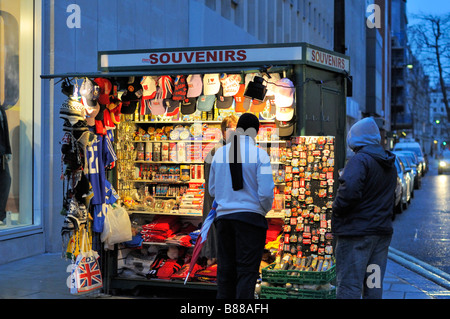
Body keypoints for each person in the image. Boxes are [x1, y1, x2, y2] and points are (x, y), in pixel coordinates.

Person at [209, 113, 274, 299]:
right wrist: (261, 210)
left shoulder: (220, 153)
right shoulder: (260, 155)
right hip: (250, 220)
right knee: (247, 272)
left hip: (224, 220)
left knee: (226, 270)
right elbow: (266, 192)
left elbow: (212, 190)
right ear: (256, 132)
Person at [332, 117, 397, 299]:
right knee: (373, 285)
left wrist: (336, 209)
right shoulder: (389, 164)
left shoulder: (359, 160)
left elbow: (348, 192)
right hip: (381, 235)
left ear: (356, 138)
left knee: (349, 286)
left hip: (356, 235)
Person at [202, 115, 238, 265]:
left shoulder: (229, 149)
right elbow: (213, 185)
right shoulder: (217, 151)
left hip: (222, 202)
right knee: (215, 245)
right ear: (223, 132)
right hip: (217, 203)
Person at [0, 107, 12, 225]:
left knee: (6, 180)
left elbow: (5, 130)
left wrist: (8, 150)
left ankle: (1, 213)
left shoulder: (1, 109)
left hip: (2, 153)